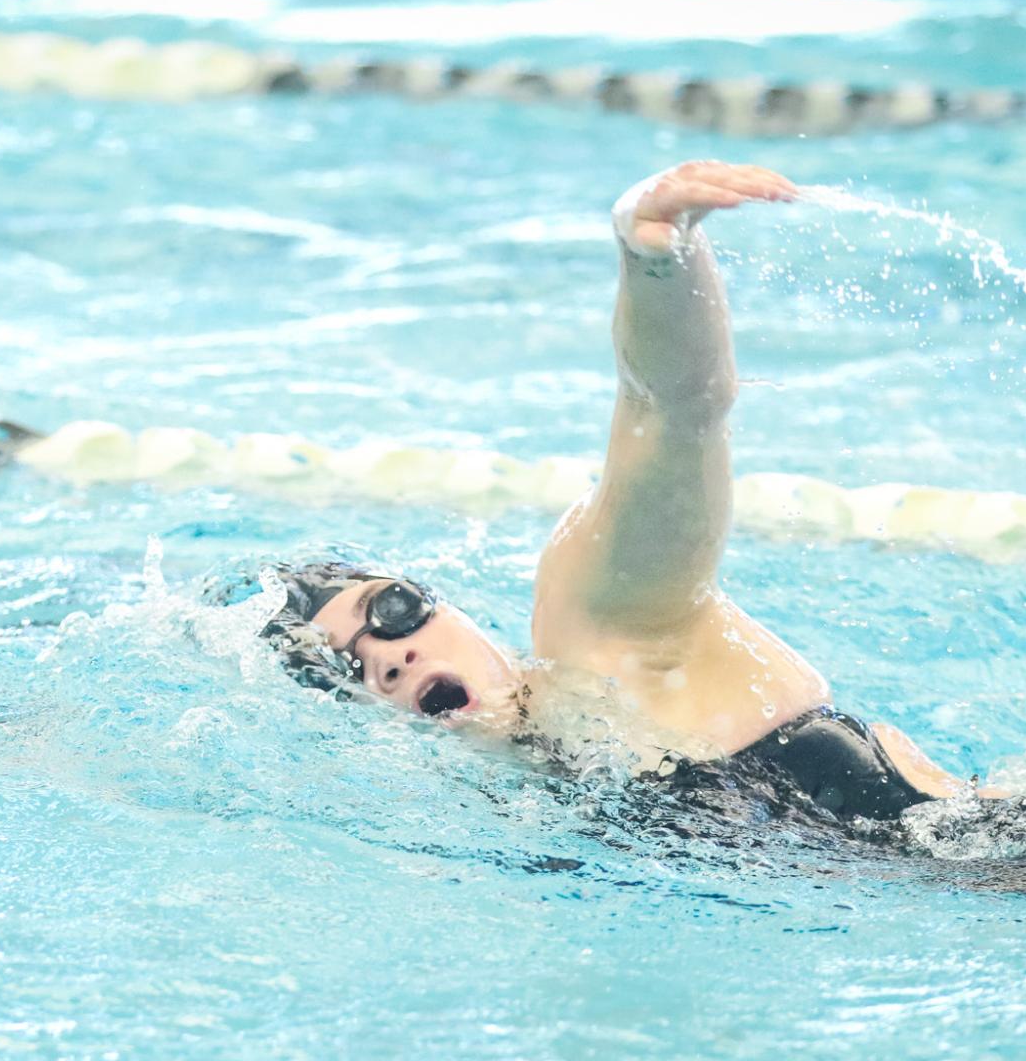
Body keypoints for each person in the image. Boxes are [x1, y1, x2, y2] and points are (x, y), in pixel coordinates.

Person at [260, 160, 968, 825]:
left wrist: (655, 257)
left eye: (392, 610)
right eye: (344, 670)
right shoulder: (532, 809)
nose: (390, 656)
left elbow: (673, 410)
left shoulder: (602, 627)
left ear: (444, 606)